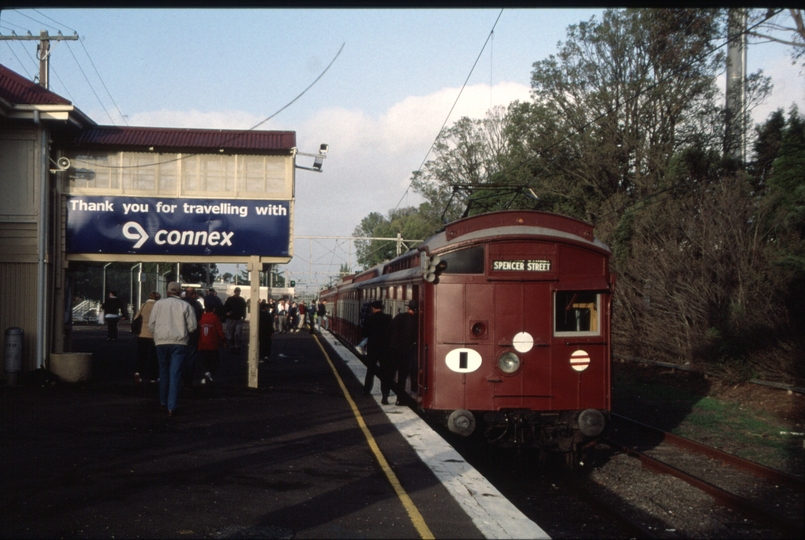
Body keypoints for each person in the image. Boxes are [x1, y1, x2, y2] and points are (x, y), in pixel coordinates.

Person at [148, 281, 197, 417]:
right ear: (180, 292)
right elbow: (192, 327)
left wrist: (158, 334)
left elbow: (151, 324)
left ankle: (163, 402)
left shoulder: (158, 304)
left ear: (168, 292)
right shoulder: (185, 305)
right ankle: (172, 406)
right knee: (175, 374)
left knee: (163, 373)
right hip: (180, 342)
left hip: (161, 342)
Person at [361, 300, 393, 404]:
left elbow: (364, 333)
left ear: (373, 308)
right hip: (385, 348)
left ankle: (366, 391)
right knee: (385, 372)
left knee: (370, 370)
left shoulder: (369, 319)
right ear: (382, 308)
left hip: (373, 348)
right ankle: (385, 396)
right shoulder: (388, 318)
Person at [389, 299, 419, 406]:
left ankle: (384, 396)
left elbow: (390, 329)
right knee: (402, 377)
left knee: (390, 373)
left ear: (408, 308)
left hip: (393, 349)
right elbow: (416, 337)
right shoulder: (415, 322)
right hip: (406, 352)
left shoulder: (398, 317)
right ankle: (399, 399)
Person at [132, 291, 160, 383]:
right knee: (153, 357)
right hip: (154, 334)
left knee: (141, 355)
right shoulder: (158, 306)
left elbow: (136, 317)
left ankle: (138, 373)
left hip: (142, 333)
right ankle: (153, 377)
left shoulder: (143, 305)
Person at [198, 302, 226, 384]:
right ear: (214, 309)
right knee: (214, 361)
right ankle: (208, 374)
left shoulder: (201, 317)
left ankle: (206, 373)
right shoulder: (215, 317)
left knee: (204, 361)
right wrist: (224, 340)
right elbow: (219, 331)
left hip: (202, 343)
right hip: (213, 343)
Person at [182, 286, 204, 388]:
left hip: (180, 333)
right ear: (194, 294)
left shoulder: (181, 303)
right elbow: (200, 316)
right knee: (191, 357)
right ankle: (188, 380)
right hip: (193, 334)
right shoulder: (196, 304)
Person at [223, 287, 247, 354]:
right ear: (234, 292)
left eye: (238, 291)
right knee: (230, 335)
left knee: (238, 334)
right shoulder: (230, 299)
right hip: (230, 319)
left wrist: (244, 317)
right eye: (236, 291)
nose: (237, 292)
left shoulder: (241, 300)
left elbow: (244, 309)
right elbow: (225, 307)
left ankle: (237, 346)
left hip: (238, 319)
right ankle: (232, 346)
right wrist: (227, 313)